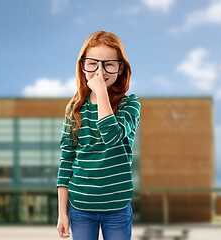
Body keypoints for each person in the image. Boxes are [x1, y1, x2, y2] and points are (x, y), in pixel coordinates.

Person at [56, 30, 141, 240]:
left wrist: (101, 92)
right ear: (83, 66)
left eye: (109, 64)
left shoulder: (130, 105)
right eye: (93, 63)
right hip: (81, 207)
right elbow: (66, 161)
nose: (100, 71)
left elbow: (112, 136)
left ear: (121, 68)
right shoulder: (74, 109)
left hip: (117, 206)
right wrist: (61, 213)